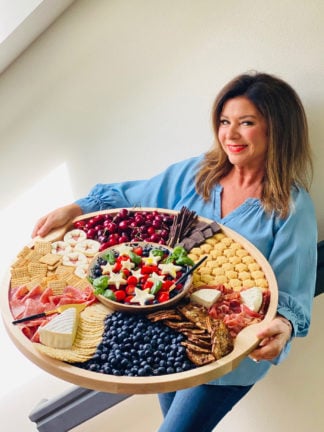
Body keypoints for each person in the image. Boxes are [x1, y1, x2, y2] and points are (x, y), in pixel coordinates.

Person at [32, 72, 317, 432]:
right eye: (224, 122)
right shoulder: (200, 173)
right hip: (169, 330)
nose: (229, 135)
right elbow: (135, 197)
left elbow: (292, 293)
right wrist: (77, 207)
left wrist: (283, 326)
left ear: (278, 128)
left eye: (246, 123)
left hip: (230, 351)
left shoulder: (291, 208)